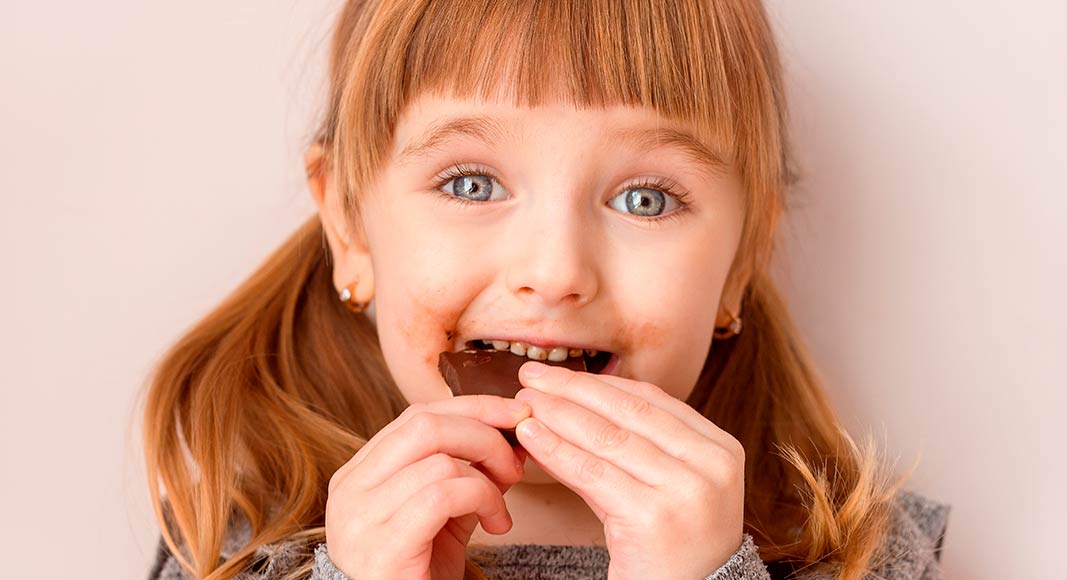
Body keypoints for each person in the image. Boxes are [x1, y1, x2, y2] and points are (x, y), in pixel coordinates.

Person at [140, 1, 951, 579]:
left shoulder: (855, 559)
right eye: (468, 184)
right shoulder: (236, 548)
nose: (557, 273)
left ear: (741, 260)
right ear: (348, 230)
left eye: (645, 199)